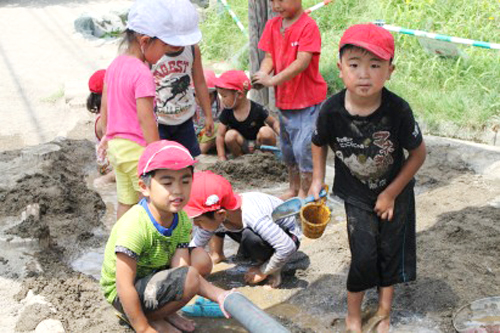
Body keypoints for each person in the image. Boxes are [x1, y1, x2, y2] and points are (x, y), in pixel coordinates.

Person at [309, 24, 426, 333]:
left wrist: (391, 193)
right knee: (363, 255)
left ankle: (384, 312)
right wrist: (316, 180)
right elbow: (318, 142)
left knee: (390, 252)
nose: (364, 74)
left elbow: (417, 155)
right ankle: (353, 315)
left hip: (395, 193)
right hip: (356, 195)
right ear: (340, 68)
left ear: (390, 71)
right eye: (355, 64)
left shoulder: (398, 111)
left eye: (375, 65)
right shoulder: (330, 112)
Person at [100, 140, 232, 333]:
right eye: (167, 183)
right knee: (190, 277)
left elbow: (180, 269)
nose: (178, 190)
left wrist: (220, 295)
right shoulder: (135, 225)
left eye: (185, 181)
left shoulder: (182, 220)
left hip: (152, 282)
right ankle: (144, 318)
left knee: (200, 260)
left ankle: (163, 313)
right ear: (144, 187)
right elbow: (123, 284)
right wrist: (143, 328)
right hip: (123, 294)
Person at [100, 0, 191, 219]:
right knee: (154, 204)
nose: (165, 52)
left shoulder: (115, 65)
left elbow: (105, 108)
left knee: (126, 201)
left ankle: (118, 247)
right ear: (145, 41)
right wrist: (157, 154)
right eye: (163, 46)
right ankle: (153, 247)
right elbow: (146, 118)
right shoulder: (142, 73)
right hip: (136, 150)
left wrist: (106, 135)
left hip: (117, 148)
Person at [252, 0, 327, 200]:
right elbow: (269, 56)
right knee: (288, 150)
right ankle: (294, 188)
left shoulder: (307, 26)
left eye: (281, 0)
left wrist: (273, 80)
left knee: (304, 150)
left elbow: (302, 61)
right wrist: (262, 73)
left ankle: (306, 190)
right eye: (272, 0)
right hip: (285, 102)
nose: (276, 5)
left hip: (307, 103)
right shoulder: (273, 25)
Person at [184, 171, 301, 288]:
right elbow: (195, 246)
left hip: (287, 236)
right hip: (242, 226)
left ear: (221, 214)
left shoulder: (253, 215)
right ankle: (217, 254)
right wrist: (184, 267)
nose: (195, 224)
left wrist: (263, 270)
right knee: (211, 226)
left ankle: (274, 268)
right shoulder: (223, 213)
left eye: (198, 220)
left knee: (252, 239)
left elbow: (287, 247)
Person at [151, 1, 214, 158]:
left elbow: (199, 81)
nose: (178, 44)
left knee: (188, 161)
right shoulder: (152, 53)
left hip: (185, 120)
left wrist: (208, 115)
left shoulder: (192, 49)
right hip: (159, 122)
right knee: (161, 162)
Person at [215, 70, 280, 161]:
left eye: (224, 96)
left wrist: (283, 137)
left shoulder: (257, 109)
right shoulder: (227, 112)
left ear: (240, 95)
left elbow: (273, 123)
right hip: (242, 145)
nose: (222, 100)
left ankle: (267, 158)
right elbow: (220, 135)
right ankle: (241, 160)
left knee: (266, 131)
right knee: (229, 135)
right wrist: (221, 156)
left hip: (259, 144)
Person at [86, 69, 115, 187]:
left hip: (103, 160)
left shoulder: (102, 114)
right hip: (108, 164)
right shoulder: (104, 119)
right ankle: (107, 178)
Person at [193, 69, 222, 154]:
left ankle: (200, 151)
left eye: (209, 96)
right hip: (195, 133)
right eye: (200, 96)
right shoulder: (190, 105)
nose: (206, 99)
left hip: (210, 135)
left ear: (215, 94)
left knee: (218, 128)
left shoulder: (220, 104)